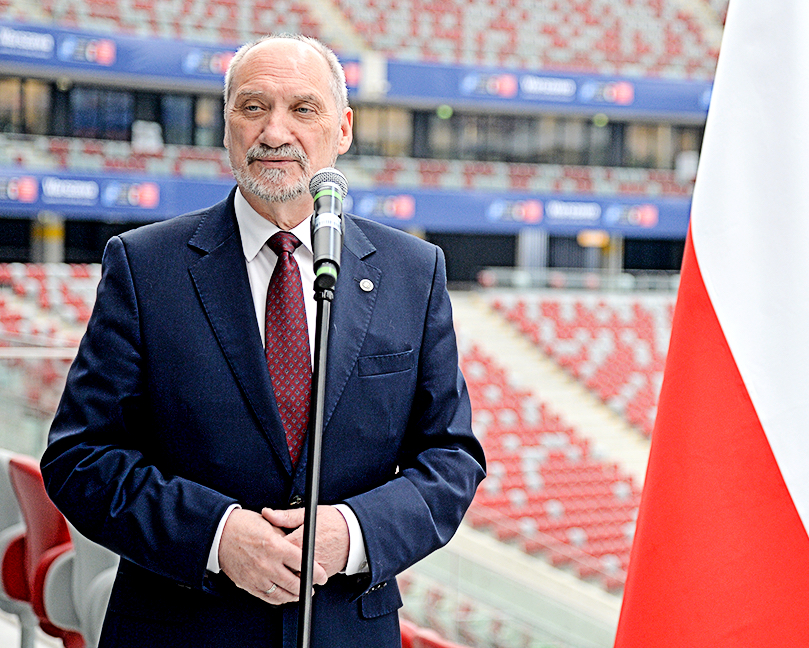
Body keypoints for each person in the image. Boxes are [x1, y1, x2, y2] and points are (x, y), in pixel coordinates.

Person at [41, 34, 485, 648]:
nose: (275, 132)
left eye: (303, 109)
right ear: (226, 125)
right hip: (179, 631)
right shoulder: (144, 266)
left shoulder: (414, 271)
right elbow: (79, 457)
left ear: (343, 129)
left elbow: (452, 459)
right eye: (253, 107)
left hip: (346, 632)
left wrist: (352, 533)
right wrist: (218, 536)